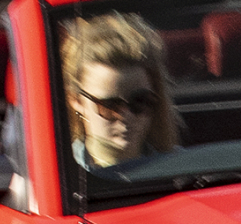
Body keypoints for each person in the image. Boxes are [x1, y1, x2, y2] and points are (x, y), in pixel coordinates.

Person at [61, 11, 178, 170]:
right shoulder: (53, 176)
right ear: (77, 101)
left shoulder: (182, 171)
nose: (125, 115)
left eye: (140, 101)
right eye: (109, 105)